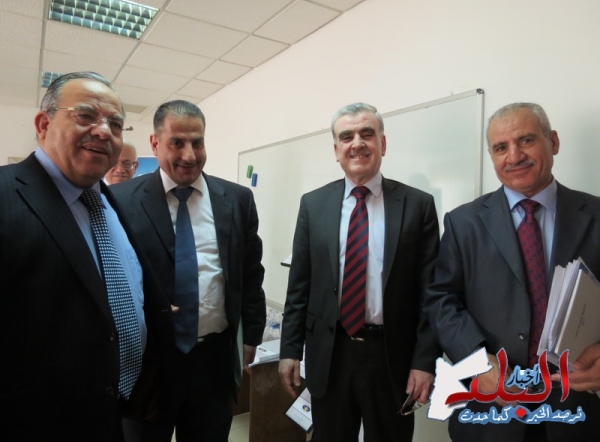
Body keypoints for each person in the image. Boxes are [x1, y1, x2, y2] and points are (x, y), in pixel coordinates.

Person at [0, 72, 173, 441]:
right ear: (43, 124)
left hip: (114, 412)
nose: (103, 131)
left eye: (115, 124)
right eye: (85, 116)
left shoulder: (106, 200)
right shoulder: (6, 195)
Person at [425, 102, 600, 441]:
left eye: (526, 140)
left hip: (578, 409)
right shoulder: (463, 223)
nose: (514, 156)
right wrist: (476, 361)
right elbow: (442, 300)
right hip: (491, 411)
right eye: (501, 147)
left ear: (553, 141)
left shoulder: (596, 214)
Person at [279, 102, 441, 441]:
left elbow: (431, 294)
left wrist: (425, 361)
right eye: (347, 136)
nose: (357, 143)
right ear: (336, 150)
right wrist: (290, 350)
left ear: (383, 143)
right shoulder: (313, 204)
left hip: (392, 357)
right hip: (331, 354)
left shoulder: (418, 205)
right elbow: (300, 287)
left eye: (367, 134)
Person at [110, 100, 266, 442]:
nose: (190, 155)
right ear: (155, 143)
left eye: (197, 142)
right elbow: (111, 279)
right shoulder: (119, 200)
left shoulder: (237, 199)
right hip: (148, 362)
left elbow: (251, 274)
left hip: (214, 361)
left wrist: (251, 336)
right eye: (177, 143)